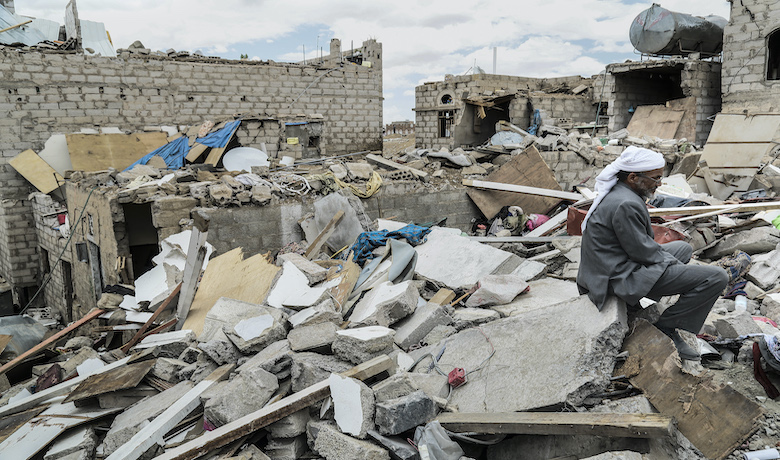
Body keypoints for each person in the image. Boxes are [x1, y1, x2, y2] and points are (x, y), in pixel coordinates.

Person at [576, 146, 729, 360]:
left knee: (682, 248)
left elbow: (642, 248)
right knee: (716, 277)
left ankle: (641, 305)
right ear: (632, 177)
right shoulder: (626, 204)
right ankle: (667, 328)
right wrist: (676, 270)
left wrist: (671, 266)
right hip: (614, 278)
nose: (659, 184)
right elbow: (644, 253)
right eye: (656, 178)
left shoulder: (622, 193)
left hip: (612, 265)